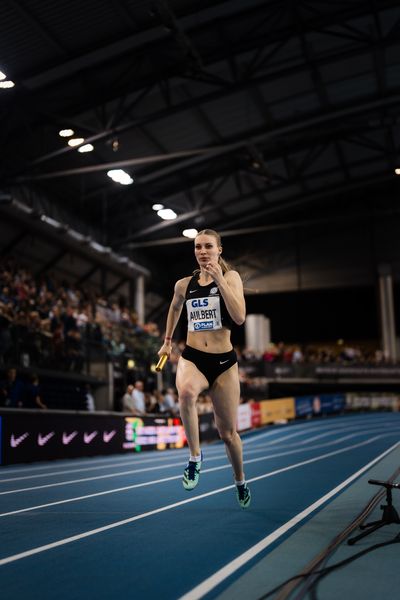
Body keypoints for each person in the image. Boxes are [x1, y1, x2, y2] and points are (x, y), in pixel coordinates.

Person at [157, 229, 251, 509]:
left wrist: (220, 280)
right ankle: (195, 458)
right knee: (185, 393)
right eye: (198, 247)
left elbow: (239, 317)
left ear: (219, 250)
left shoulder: (231, 278)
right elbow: (175, 308)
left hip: (223, 363)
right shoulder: (184, 285)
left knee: (228, 434)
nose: (203, 251)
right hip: (193, 356)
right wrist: (167, 341)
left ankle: (240, 480)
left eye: (209, 246)